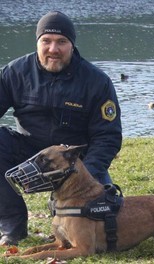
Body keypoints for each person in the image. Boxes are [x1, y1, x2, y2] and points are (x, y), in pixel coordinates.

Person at [0, 11, 122, 246]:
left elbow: (108, 136)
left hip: (77, 162)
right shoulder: (14, 73)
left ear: (72, 45)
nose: (53, 49)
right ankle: (12, 226)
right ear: (37, 43)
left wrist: (90, 176)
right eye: (46, 41)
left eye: (61, 42)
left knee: (105, 221)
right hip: (32, 157)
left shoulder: (96, 81)